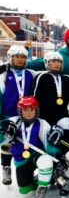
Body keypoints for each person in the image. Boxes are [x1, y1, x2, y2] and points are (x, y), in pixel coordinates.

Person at [0, 97, 58, 198]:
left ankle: (42, 186)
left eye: (32, 109)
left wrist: (57, 157)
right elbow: (1, 140)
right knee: (25, 193)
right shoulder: (13, 122)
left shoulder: (43, 124)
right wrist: (3, 131)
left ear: (36, 110)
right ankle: (47, 178)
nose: (29, 112)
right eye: (25, 110)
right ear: (20, 111)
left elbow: (50, 146)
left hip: (37, 154)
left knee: (46, 160)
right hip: (21, 160)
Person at [0, 45, 36, 186]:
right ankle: (6, 167)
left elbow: (45, 63)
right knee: (7, 140)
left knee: (24, 141)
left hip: (27, 114)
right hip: (8, 114)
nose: (19, 60)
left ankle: (27, 168)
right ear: (10, 58)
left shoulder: (31, 73)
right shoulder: (4, 74)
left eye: (22, 57)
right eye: (16, 57)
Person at [32, 51, 69, 126]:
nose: (56, 64)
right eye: (53, 61)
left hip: (65, 118)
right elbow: (35, 97)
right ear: (47, 63)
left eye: (59, 61)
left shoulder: (68, 79)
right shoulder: (41, 77)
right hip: (45, 117)